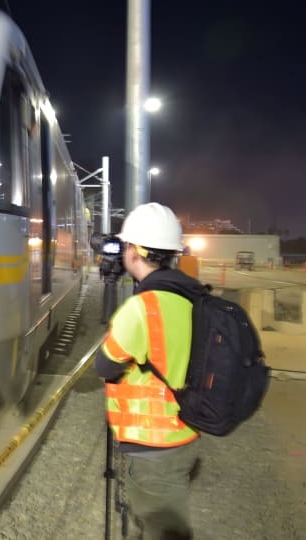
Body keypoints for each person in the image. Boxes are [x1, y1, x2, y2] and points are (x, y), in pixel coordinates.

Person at [94, 202, 207, 540]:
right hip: (186, 432)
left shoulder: (141, 308)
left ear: (133, 251)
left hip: (152, 443)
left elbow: (105, 366)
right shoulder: (191, 298)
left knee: (164, 530)